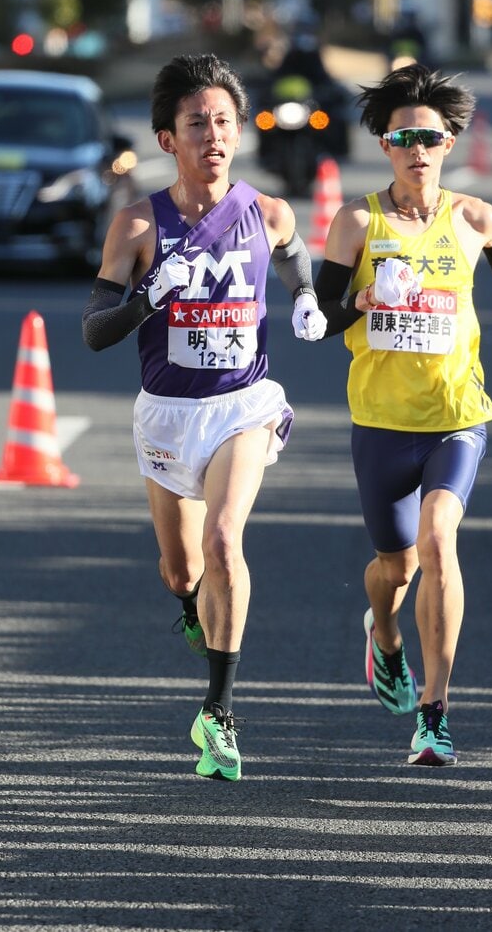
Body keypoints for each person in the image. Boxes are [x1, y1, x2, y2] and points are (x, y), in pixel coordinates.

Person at [82, 53, 326, 782]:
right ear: (167, 139)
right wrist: (148, 296)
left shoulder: (267, 209)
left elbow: (290, 251)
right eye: (196, 123)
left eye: (224, 121)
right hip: (166, 413)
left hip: (241, 405)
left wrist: (306, 296)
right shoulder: (135, 224)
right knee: (181, 566)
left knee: (224, 540)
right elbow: (95, 329)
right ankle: (192, 606)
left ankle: (217, 709)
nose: (213, 135)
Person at [314, 63, 492, 767]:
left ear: (449, 141)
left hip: (455, 414)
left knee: (437, 544)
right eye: (402, 137)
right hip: (381, 420)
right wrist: (354, 307)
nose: (416, 148)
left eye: (429, 135)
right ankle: (383, 638)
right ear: (384, 145)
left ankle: (434, 713)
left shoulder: (472, 216)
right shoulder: (355, 220)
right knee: (392, 567)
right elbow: (317, 317)